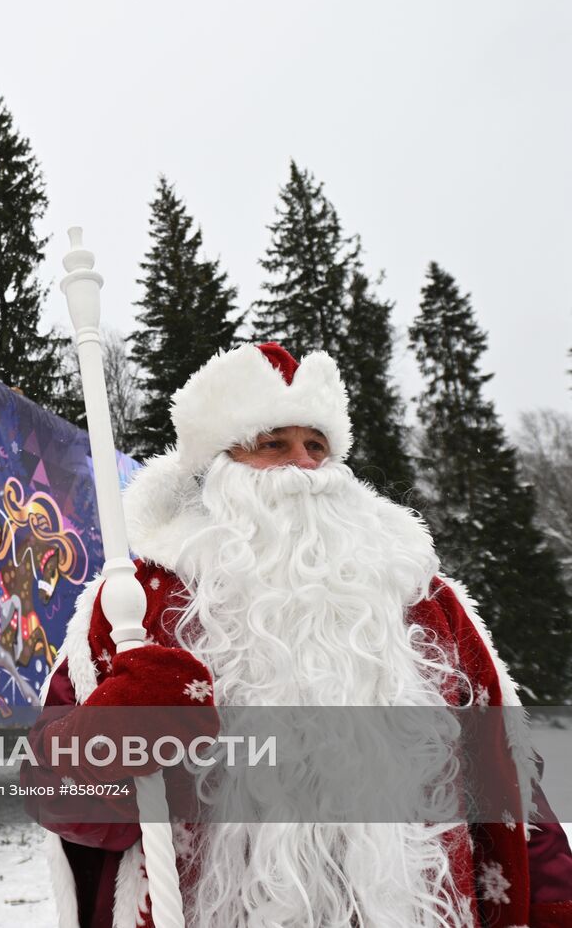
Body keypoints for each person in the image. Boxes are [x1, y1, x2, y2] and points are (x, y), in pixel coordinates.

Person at [32, 343, 572, 927]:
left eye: (316, 445)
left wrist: (554, 906)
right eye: (273, 444)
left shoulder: (420, 598)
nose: (304, 466)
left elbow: (507, 776)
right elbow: (57, 795)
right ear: (217, 466)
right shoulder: (138, 605)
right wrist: (112, 737)